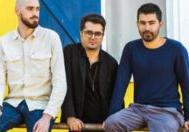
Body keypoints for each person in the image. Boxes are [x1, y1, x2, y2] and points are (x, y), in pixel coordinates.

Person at [105, 3, 189, 132]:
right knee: (112, 123)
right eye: (142, 23)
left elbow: (186, 83)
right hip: (137, 109)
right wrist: (112, 113)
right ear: (137, 23)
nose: (147, 28)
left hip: (166, 112)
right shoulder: (131, 49)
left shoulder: (176, 49)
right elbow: (121, 83)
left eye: (151, 23)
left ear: (160, 24)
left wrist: (188, 116)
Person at [0, 0, 67, 131]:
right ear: (17, 11)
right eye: (30, 9)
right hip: (12, 103)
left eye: (37, 9)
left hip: (40, 105)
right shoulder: (4, 42)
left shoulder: (51, 38)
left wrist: (48, 116)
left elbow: (60, 83)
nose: (35, 13)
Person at [61, 14, 118, 132]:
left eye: (97, 34)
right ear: (81, 33)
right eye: (88, 32)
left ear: (102, 36)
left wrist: (114, 119)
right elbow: (64, 86)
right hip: (77, 125)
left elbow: (116, 96)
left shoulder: (111, 62)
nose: (93, 37)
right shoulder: (69, 53)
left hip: (104, 126)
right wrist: (70, 116)